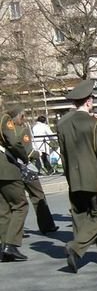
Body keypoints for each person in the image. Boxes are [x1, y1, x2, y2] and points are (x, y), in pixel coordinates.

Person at [56, 79, 97, 273]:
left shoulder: (62, 124)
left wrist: (70, 178)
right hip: (95, 180)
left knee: (81, 215)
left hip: (74, 178)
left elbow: (64, 155)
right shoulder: (95, 124)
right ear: (88, 101)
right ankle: (75, 248)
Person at [0, 106, 31, 261]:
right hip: (6, 169)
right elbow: (13, 142)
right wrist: (24, 157)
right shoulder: (5, 119)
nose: (23, 120)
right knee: (20, 205)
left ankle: (3, 248)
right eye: (22, 116)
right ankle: (10, 245)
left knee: (4, 209)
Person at [18, 121, 58, 234]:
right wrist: (36, 154)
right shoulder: (22, 129)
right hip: (26, 169)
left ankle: (15, 231)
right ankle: (47, 225)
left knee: (17, 201)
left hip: (12, 169)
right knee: (38, 195)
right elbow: (27, 151)